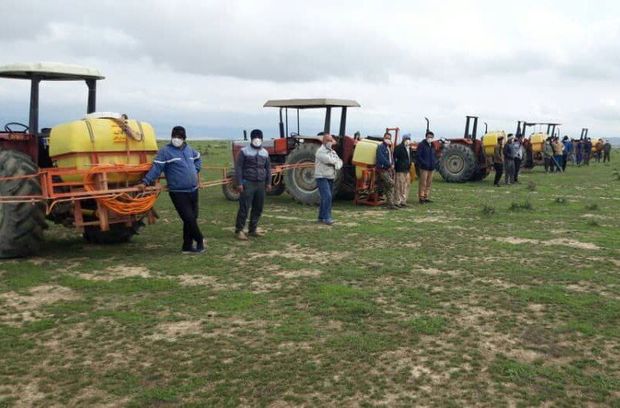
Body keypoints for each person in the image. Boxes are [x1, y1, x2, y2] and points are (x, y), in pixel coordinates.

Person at [138, 126, 204, 254]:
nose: (176, 139)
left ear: (184, 138)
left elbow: (198, 158)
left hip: (193, 190)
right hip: (178, 192)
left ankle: (187, 246)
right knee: (189, 218)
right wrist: (145, 182)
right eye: (174, 136)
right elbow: (156, 168)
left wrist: (196, 169)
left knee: (192, 218)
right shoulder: (165, 151)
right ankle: (200, 239)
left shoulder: (189, 150)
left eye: (179, 137)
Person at [234, 129, 272, 240]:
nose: (257, 139)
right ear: (251, 139)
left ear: (262, 138)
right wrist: (239, 183)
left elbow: (268, 169)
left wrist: (269, 182)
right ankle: (239, 230)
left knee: (258, 207)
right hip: (248, 183)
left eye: (259, 137)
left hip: (261, 184)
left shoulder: (265, 152)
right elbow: (238, 168)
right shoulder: (244, 151)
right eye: (255, 137)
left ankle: (252, 229)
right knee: (244, 207)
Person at [315, 132, 343, 225]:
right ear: (323, 141)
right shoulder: (320, 151)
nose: (330, 142)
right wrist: (335, 162)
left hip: (330, 177)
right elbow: (329, 160)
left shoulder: (332, 151)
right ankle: (327, 218)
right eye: (328, 140)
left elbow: (339, 162)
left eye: (331, 140)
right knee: (327, 196)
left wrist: (336, 163)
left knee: (326, 198)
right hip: (321, 176)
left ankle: (321, 217)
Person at [376, 132, 397, 209]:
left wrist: (393, 164)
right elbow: (381, 158)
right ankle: (390, 202)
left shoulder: (389, 148)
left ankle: (390, 204)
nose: (388, 139)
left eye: (389, 138)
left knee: (389, 186)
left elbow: (391, 157)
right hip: (382, 169)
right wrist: (389, 164)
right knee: (391, 184)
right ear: (384, 138)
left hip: (388, 169)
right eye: (387, 138)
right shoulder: (381, 147)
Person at [416, 131, 437, 203]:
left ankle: (426, 196)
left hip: (431, 167)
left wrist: (434, 162)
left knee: (429, 183)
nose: (430, 138)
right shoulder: (422, 145)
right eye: (429, 137)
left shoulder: (433, 145)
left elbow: (435, 155)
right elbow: (418, 156)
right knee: (423, 183)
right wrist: (423, 163)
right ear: (426, 137)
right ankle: (421, 197)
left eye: (431, 137)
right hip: (424, 168)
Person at [393, 134, 413, 207]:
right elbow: (395, 157)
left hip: (407, 169)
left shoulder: (409, 148)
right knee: (399, 185)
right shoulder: (398, 148)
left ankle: (403, 200)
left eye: (409, 139)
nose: (408, 141)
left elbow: (410, 158)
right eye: (406, 139)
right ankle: (397, 201)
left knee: (406, 185)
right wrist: (396, 166)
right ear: (403, 140)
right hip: (400, 169)